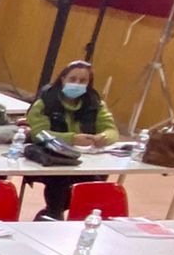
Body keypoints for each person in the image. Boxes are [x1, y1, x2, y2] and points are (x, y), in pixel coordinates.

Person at [27, 60, 121, 218]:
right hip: (52, 159)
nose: (77, 83)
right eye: (73, 79)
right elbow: (38, 133)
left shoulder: (96, 104)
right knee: (61, 181)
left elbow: (111, 130)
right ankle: (52, 214)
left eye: (82, 81)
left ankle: (79, 218)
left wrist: (103, 137)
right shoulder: (45, 102)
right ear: (63, 79)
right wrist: (72, 139)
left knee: (95, 184)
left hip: (86, 160)